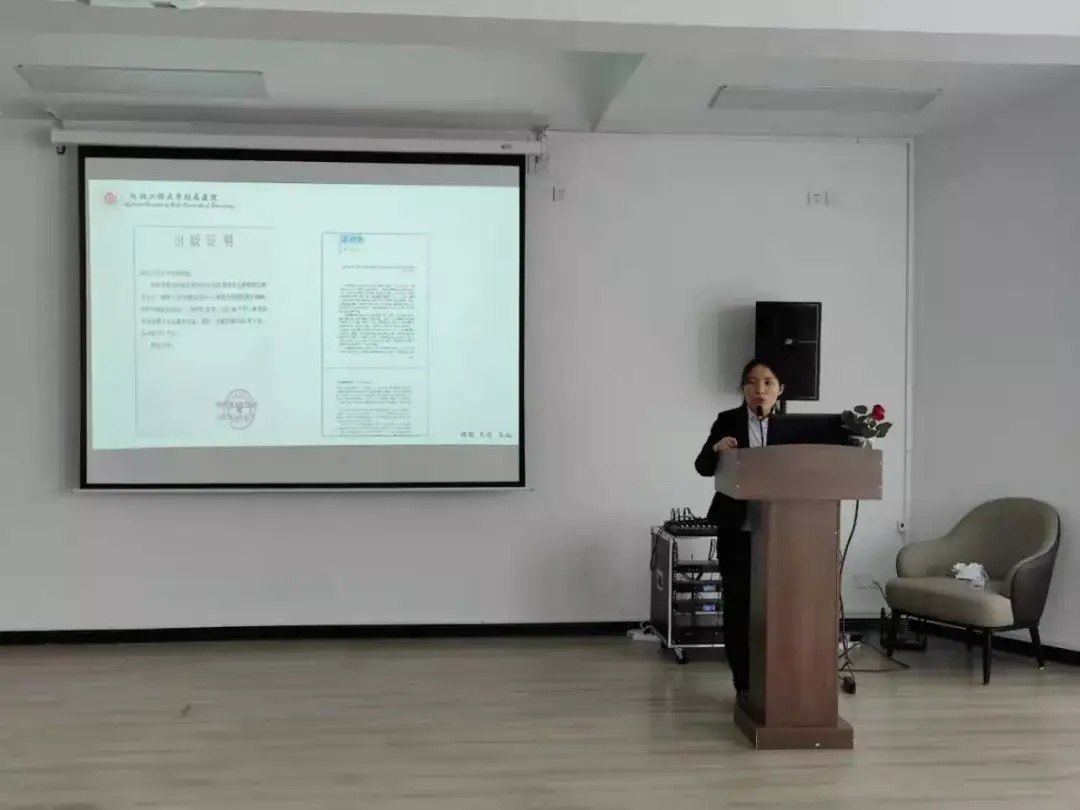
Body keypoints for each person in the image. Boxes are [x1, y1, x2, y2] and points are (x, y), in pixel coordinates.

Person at [693, 358, 785, 702]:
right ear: (743, 388)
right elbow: (702, 466)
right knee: (738, 604)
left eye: (768, 382)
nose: (760, 389)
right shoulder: (727, 421)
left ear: (780, 389)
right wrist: (716, 449)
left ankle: (779, 679)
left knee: (779, 604)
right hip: (737, 529)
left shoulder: (792, 428)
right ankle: (743, 682)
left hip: (783, 532)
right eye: (752, 382)